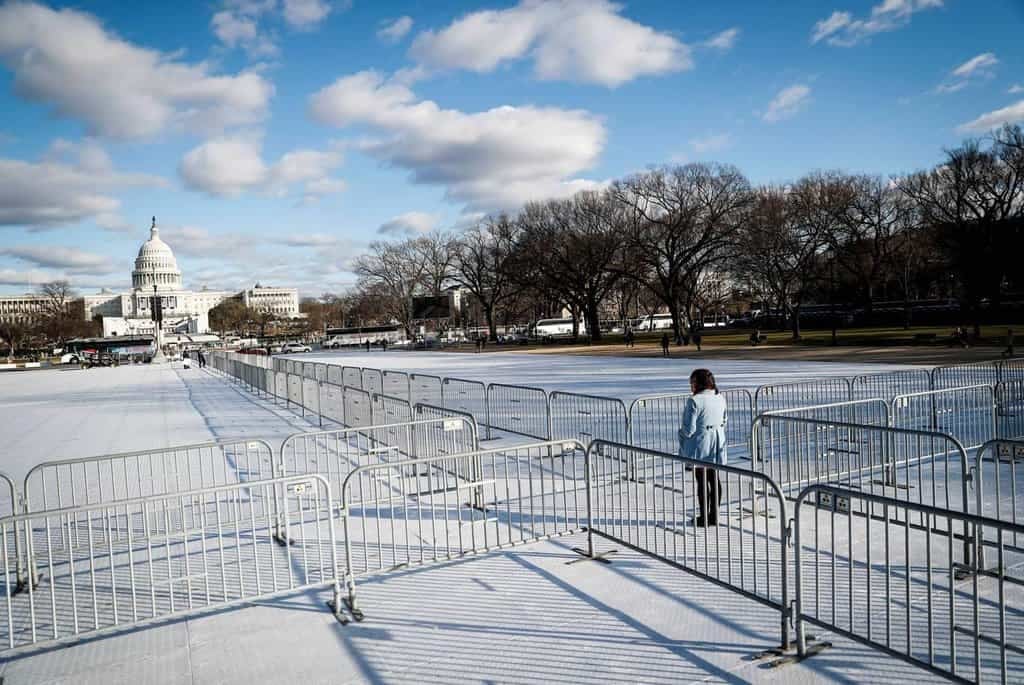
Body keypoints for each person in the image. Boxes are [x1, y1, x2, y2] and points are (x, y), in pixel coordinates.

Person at [678, 369, 727, 527]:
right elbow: (725, 418)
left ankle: (704, 516)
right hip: (717, 439)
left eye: (692, 383)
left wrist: (681, 434)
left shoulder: (695, 401)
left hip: (701, 442)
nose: (691, 386)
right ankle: (714, 514)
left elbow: (689, 428)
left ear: (698, 383)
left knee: (701, 479)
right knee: (714, 477)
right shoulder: (719, 396)